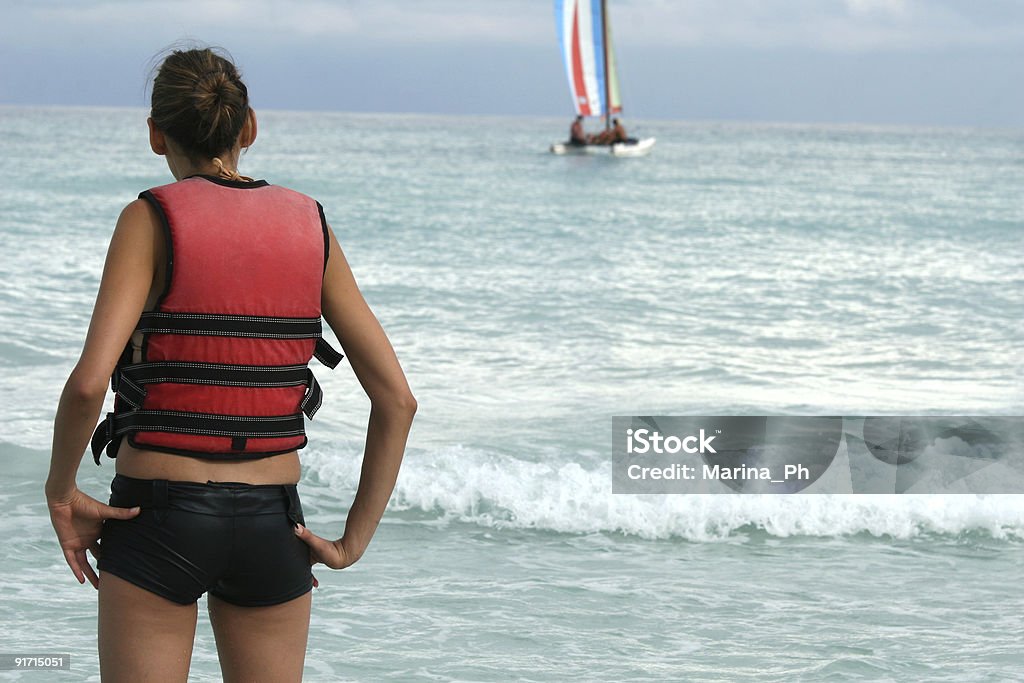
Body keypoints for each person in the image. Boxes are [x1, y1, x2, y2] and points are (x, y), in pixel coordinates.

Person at [44, 46, 417, 682]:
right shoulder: (310, 225)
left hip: (157, 517)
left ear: (157, 135)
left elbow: (87, 386)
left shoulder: (149, 218)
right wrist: (353, 541)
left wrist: (60, 492)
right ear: (248, 127)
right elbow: (397, 401)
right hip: (275, 521)